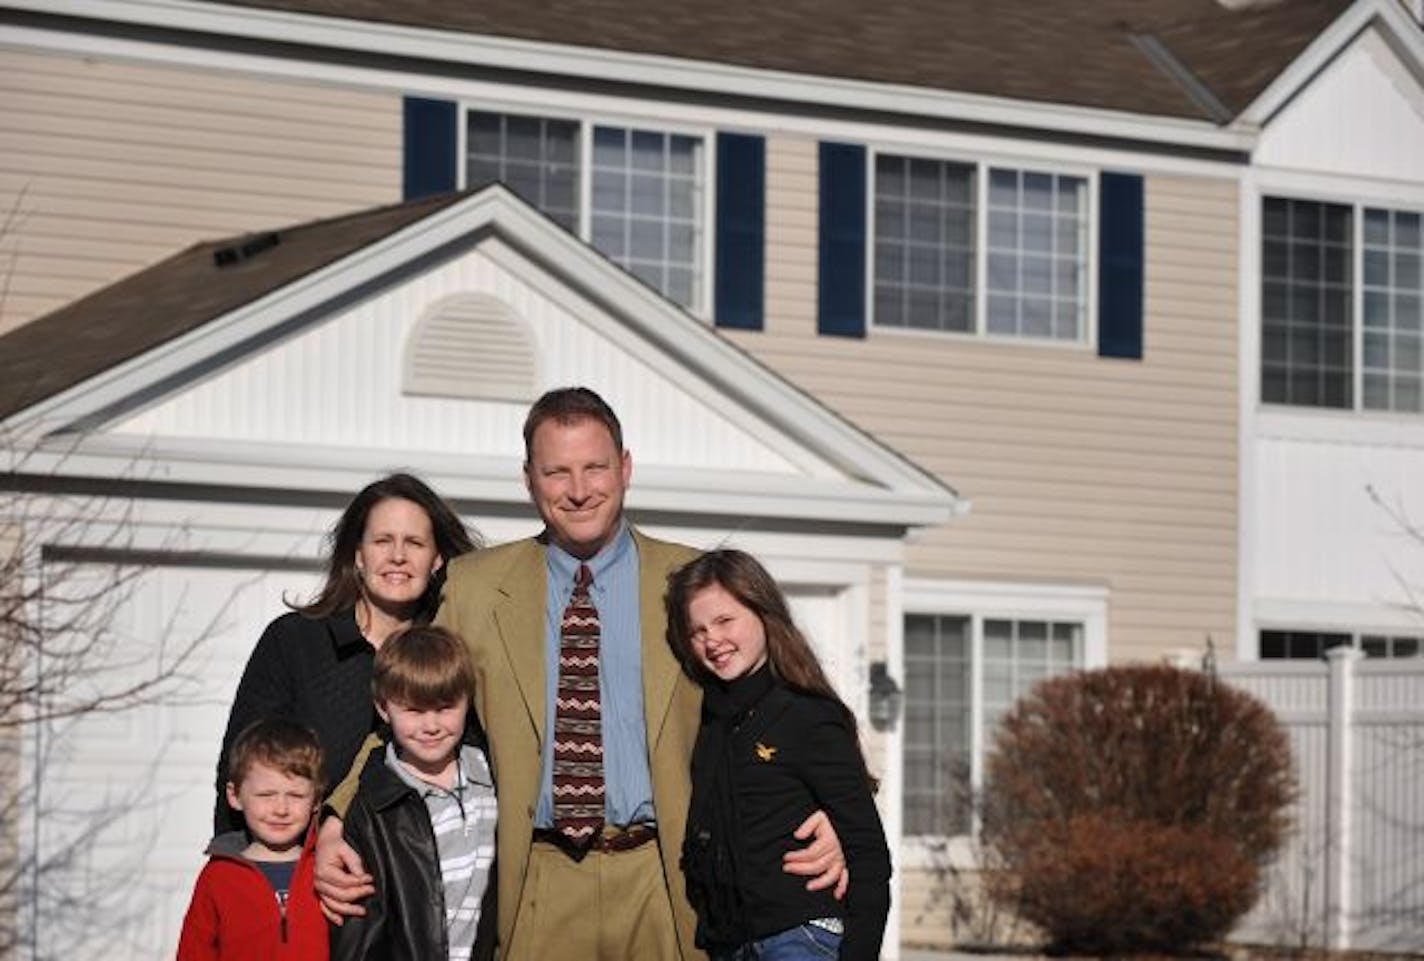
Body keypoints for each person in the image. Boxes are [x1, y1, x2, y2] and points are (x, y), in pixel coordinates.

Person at [318, 387, 846, 961]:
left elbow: (782, 700)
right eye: (556, 472)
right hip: (540, 879)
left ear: (625, 467)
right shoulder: (474, 588)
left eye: (595, 468)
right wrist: (338, 817)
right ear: (528, 479)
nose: (578, 490)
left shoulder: (692, 579)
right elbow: (410, 702)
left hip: (664, 880)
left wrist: (831, 809)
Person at [214, 472, 478, 833]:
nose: (398, 556)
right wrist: (240, 870)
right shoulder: (294, 642)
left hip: (422, 876)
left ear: (436, 560)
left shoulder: (455, 654)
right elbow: (240, 765)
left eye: (414, 543)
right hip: (299, 874)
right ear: (357, 554)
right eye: (383, 541)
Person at [666, 550, 891, 961]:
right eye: (697, 630)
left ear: (763, 612)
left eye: (724, 621)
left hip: (800, 938)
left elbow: (868, 852)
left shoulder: (806, 716)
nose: (711, 640)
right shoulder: (712, 721)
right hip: (730, 944)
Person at [331, 624, 497, 961]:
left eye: (445, 707)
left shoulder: (492, 777)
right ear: (383, 707)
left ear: (468, 700)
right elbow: (361, 931)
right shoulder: (373, 808)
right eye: (414, 710)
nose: (432, 725)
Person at [177, 718, 328, 960]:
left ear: (316, 800)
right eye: (266, 794)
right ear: (235, 796)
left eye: (296, 795)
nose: (281, 809)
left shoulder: (327, 869)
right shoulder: (218, 876)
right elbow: (194, 952)